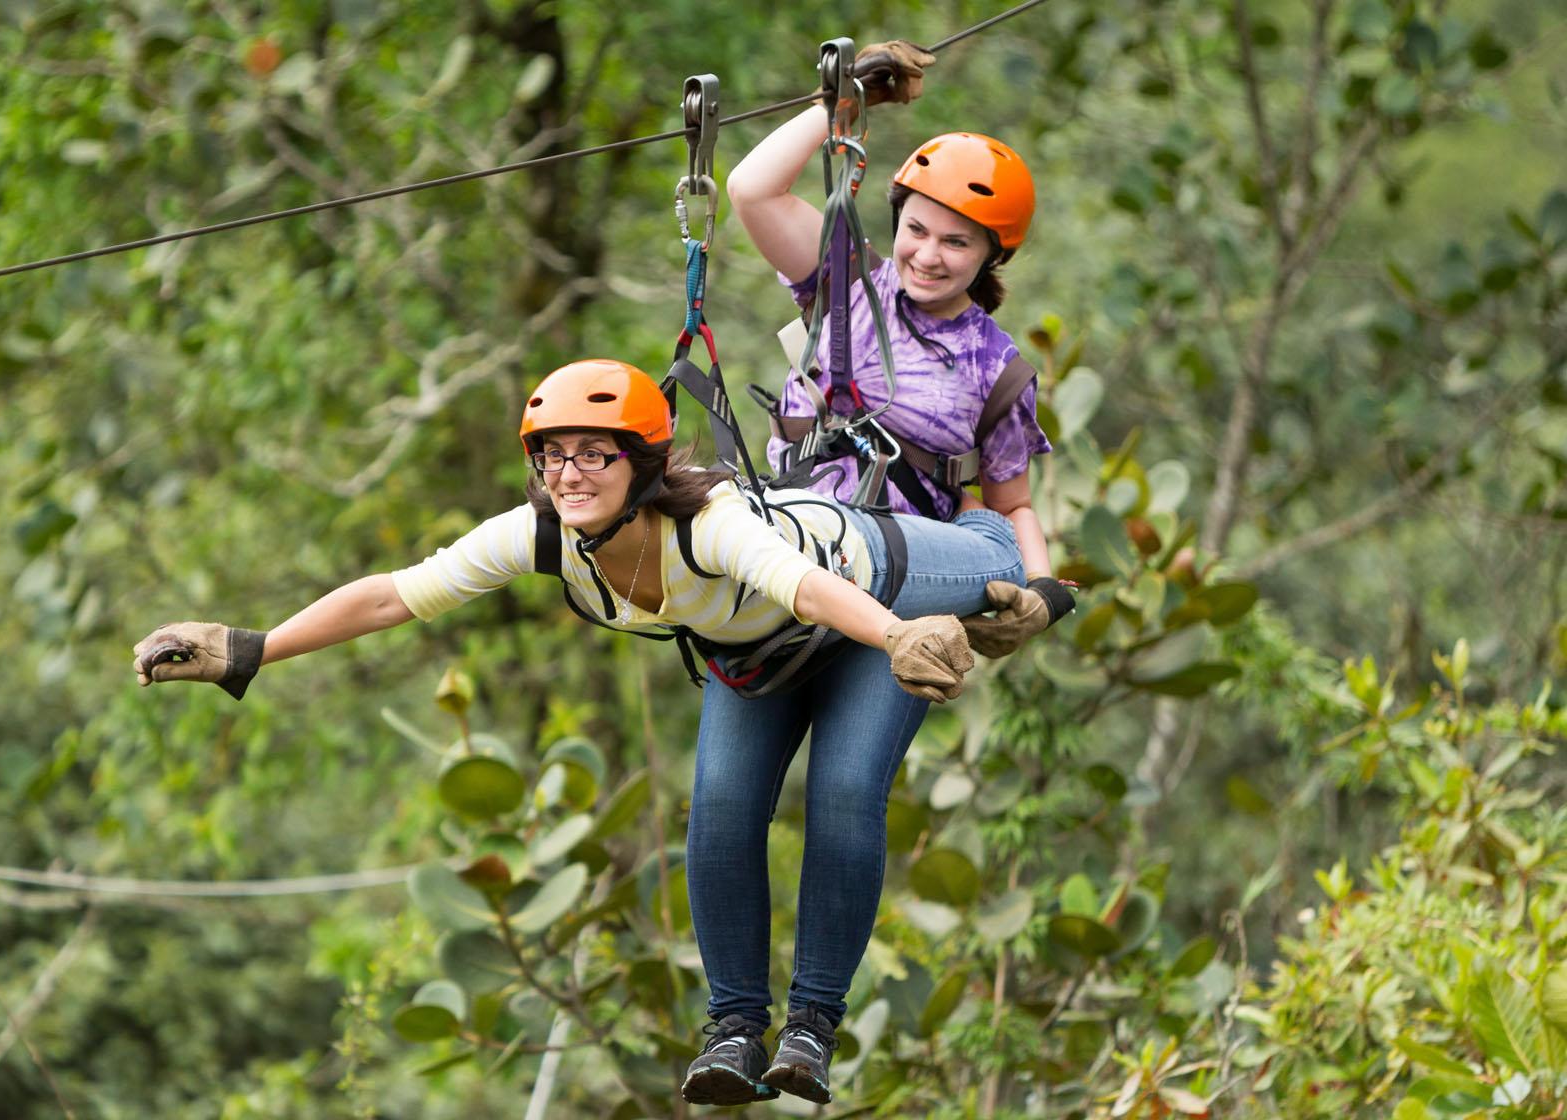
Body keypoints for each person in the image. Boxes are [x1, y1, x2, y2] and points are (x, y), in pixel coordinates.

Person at [131, 359, 1030, 1106]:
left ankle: (812, 1027)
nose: (570, 476)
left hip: (878, 587)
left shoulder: (710, 525)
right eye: (553, 458)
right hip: (765, 659)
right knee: (717, 813)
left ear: (640, 464)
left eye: (595, 456)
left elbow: (796, 585)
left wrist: (900, 632)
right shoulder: (543, 536)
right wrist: (252, 647)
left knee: (861, 765)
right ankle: (733, 1033)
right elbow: (393, 593)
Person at [728, 42, 1074, 645]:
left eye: (957, 242)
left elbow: (1009, 506)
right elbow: (751, 189)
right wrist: (840, 103)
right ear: (897, 223)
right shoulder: (847, 280)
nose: (929, 255)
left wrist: (1043, 589)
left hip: (899, 589)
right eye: (916, 229)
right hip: (788, 556)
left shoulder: (998, 368)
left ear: (993, 254)